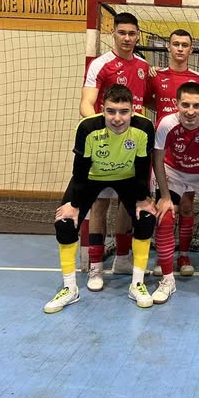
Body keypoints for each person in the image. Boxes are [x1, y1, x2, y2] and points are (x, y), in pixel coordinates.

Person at [44, 84, 156, 314]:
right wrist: (74, 205)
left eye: (124, 111)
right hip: (92, 178)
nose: (117, 118)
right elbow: (80, 170)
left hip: (127, 178)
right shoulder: (87, 127)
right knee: (65, 223)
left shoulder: (144, 127)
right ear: (102, 110)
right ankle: (70, 289)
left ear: (133, 110)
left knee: (146, 218)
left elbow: (143, 167)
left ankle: (137, 284)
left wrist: (143, 199)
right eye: (111, 111)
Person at [79, 12, 150, 290]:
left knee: (128, 204)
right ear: (114, 34)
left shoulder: (144, 66)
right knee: (99, 204)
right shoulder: (100, 64)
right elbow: (86, 104)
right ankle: (96, 268)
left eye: (132, 33)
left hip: (134, 147)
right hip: (105, 146)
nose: (127, 38)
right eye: (122, 33)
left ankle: (121, 258)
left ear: (138, 35)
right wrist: (105, 131)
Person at [151, 82, 199, 306]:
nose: (190, 111)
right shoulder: (166, 123)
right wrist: (165, 197)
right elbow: (157, 160)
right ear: (176, 104)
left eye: (196, 105)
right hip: (174, 171)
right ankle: (167, 280)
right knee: (165, 217)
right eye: (185, 105)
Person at [147, 29, 199, 277]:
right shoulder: (156, 76)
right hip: (165, 151)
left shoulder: (198, 78)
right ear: (168, 47)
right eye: (176, 44)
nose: (180, 48)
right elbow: (146, 100)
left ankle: (184, 255)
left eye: (185, 45)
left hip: (191, 151)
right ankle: (164, 256)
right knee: (166, 205)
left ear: (191, 49)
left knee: (187, 207)